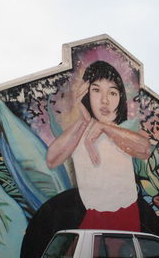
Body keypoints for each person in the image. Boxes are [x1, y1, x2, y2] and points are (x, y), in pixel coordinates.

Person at [46, 60, 151, 231]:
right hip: (93, 221)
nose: (104, 101)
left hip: (126, 220)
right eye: (96, 90)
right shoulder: (79, 131)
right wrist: (84, 119)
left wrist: (104, 127)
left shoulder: (122, 133)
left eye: (112, 93)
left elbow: (144, 149)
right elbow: (51, 160)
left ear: (120, 97)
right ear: (85, 94)